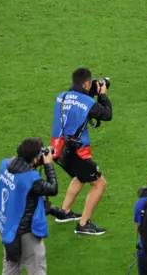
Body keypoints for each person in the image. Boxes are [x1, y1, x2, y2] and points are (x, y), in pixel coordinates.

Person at [50, 68, 112, 235]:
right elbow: (107, 114)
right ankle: (84, 224)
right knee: (99, 183)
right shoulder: (86, 103)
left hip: (57, 149)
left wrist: (90, 94)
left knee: (81, 175)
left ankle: (65, 211)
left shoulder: (61, 97)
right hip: (76, 152)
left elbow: (76, 106)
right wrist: (103, 95)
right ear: (86, 83)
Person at [0, 138, 57, 275]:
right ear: (34, 159)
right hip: (25, 232)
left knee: (11, 266)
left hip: (6, 226)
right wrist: (48, 164)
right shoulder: (30, 180)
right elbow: (53, 189)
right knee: (37, 269)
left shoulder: (4, 165)